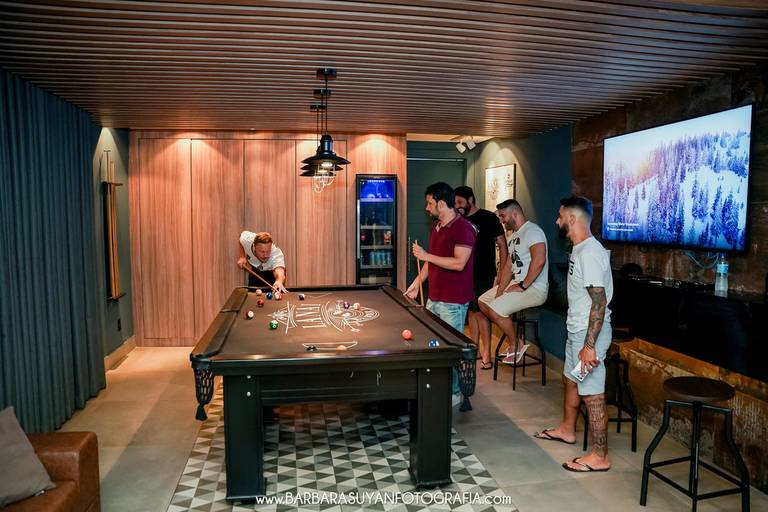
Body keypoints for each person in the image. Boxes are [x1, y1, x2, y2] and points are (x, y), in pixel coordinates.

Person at [533, 196, 613, 473]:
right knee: (571, 380)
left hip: (589, 335)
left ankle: (600, 456)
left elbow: (599, 302)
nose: (557, 221)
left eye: (560, 216)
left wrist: (589, 346)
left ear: (572, 218)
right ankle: (568, 429)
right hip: (577, 329)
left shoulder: (589, 253)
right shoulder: (579, 249)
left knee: (592, 394)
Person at [405, 182, 476, 407]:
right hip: (434, 298)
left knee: (451, 351)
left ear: (442, 203)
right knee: (433, 348)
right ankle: (438, 388)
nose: (427, 208)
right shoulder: (436, 227)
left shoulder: (463, 228)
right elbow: (431, 262)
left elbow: (458, 263)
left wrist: (426, 255)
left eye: (429, 203)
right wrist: (416, 283)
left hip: (453, 301)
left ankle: (454, 393)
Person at [477, 199, 548, 364]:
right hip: (517, 284)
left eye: (503, 216)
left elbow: (539, 260)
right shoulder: (513, 236)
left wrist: (522, 285)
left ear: (514, 213)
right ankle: (517, 338)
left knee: (495, 309)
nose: (501, 220)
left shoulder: (533, 231)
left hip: (534, 288)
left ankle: (515, 344)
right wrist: (499, 291)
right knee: (483, 301)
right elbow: (509, 266)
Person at [454, 186, 508, 370]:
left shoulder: (488, 217)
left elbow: (502, 244)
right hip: (464, 273)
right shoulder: (459, 220)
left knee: (481, 313)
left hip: (484, 272)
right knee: (470, 312)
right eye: (455, 203)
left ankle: (486, 355)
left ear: (470, 200)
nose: (458, 206)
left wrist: (502, 272)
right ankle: (474, 348)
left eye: (460, 202)